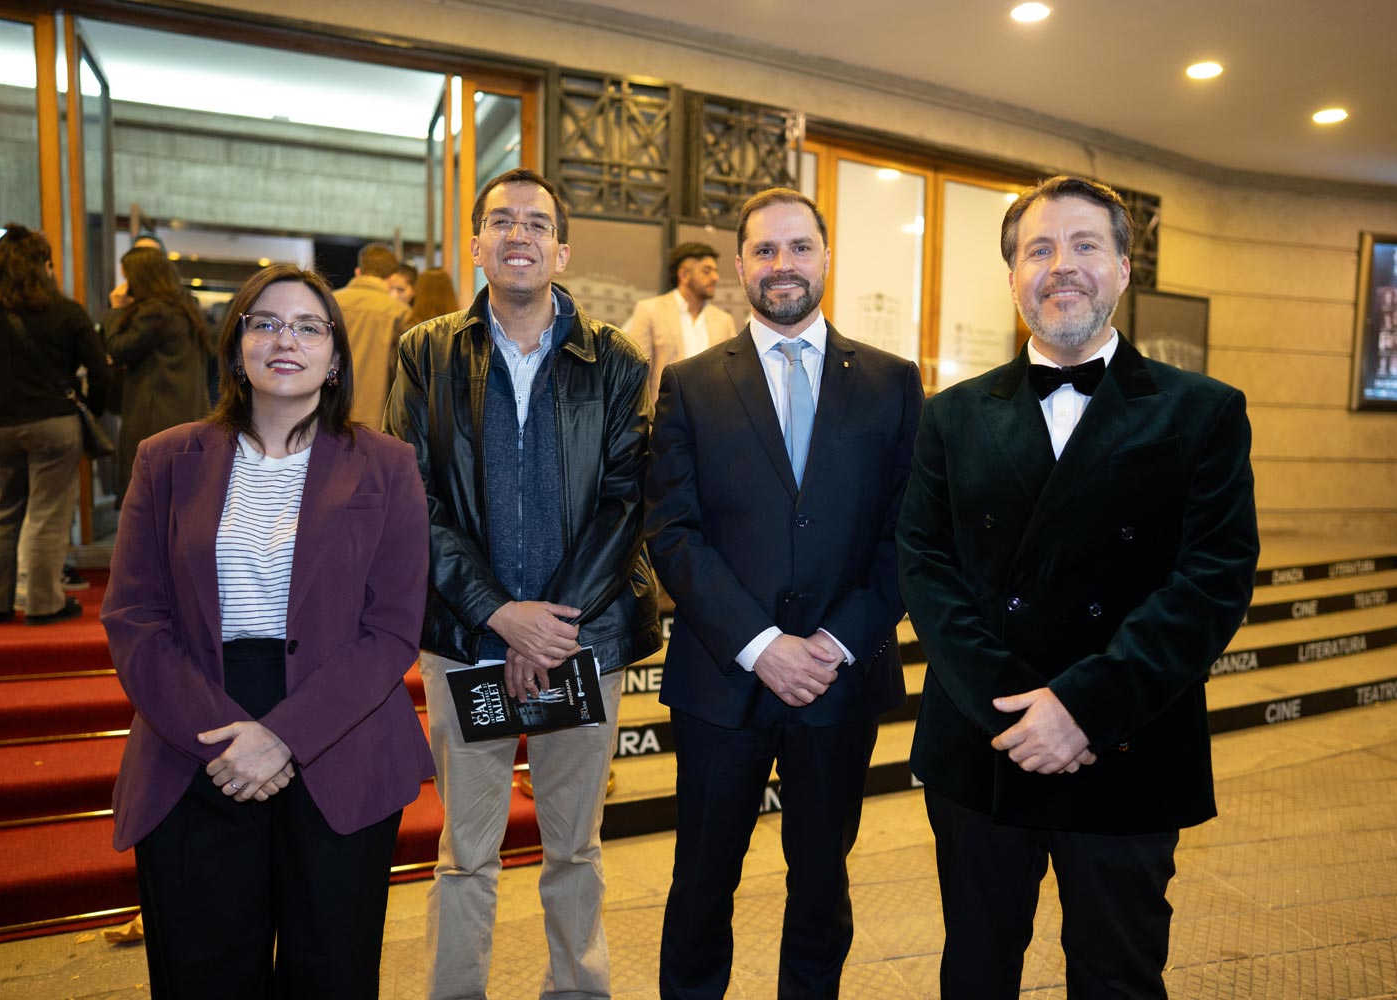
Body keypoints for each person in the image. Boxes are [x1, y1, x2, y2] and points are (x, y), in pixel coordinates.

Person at [896, 175, 1259, 999]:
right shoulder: (950, 415)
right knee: (976, 973)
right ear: (1013, 278)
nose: (1061, 266)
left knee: (1117, 977)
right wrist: (1018, 713)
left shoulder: (1203, 411)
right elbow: (924, 566)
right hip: (986, 747)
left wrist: (1083, 709)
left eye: (1085, 245)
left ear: (1124, 270)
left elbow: (1213, 579)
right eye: (1039, 250)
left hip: (1130, 740)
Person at [101, 264, 433, 998]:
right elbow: (134, 616)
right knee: (204, 971)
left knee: (331, 972)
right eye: (267, 323)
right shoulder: (166, 459)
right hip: (196, 737)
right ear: (236, 346)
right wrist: (227, 740)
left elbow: (392, 626)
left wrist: (282, 736)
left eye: (309, 327)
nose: (287, 340)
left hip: (339, 734)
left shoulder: (387, 465)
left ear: (335, 356)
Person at [386, 167, 660, 1000]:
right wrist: (500, 614)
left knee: (574, 846)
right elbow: (412, 496)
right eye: (501, 221)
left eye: (537, 223)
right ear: (475, 245)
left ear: (561, 250)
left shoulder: (612, 358)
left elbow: (626, 498)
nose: (519, 235)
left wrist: (550, 627)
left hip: (583, 642)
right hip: (467, 638)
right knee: (465, 853)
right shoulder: (425, 351)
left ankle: (576, 989)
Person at [646, 188, 923, 999]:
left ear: (827, 257)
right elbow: (673, 531)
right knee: (701, 884)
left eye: (799, 247)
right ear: (740, 265)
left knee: (822, 883)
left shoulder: (893, 383)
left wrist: (833, 644)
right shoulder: (692, 383)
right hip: (722, 679)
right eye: (765, 250)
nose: (783, 264)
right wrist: (762, 646)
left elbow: (908, 533)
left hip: (840, 679)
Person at [0, 225, 108, 627]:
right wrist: (92, 412)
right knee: (48, 514)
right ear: (45, 265)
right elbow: (99, 370)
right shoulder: (66, 311)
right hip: (52, 423)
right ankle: (44, 603)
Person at [103, 246, 210, 501]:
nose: (125, 286)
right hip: (183, 413)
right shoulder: (185, 307)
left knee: (147, 495)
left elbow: (119, 348)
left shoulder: (154, 312)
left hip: (154, 418)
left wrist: (116, 309)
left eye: (127, 278)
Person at [623, 241, 736, 402]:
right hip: (663, 411)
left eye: (715, 271)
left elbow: (732, 375)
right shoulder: (650, 310)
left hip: (713, 412)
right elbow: (636, 374)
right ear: (684, 275)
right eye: (706, 271)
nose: (715, 278)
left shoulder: (724, 320)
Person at [334, 242, 410, 430]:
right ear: (393, 278)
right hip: (376, 422)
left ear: (358, 272)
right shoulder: (400, 313)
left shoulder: (329, 303)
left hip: (330, 416)